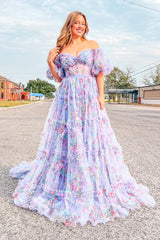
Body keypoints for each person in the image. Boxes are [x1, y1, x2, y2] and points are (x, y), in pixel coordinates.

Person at [9, 11, 156, 227]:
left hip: (88, 95)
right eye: (76, 23)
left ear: (86, 27)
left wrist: (100, 96)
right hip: (67, 97)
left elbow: (99, 73)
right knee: (68, 136)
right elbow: (59, 78)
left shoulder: (93, 44)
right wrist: (50, 61)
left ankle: (92, 177)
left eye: (83, 23)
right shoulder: (61, 50)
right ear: (69, 25)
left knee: (91, 136)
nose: (80, 26)